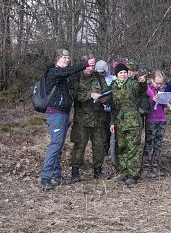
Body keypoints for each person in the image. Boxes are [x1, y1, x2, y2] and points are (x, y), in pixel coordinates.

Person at [41, 49, 95, 191]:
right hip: (56, 113)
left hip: (64, 114)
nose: (66, 59)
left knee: (58, 146)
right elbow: (68, 71)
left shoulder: (63, 74)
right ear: (57, 59)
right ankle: (46, 178)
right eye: (63, 57)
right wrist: (84, 64)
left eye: (67, 57)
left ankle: (56, 175)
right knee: (55, 145)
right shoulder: (54, 71)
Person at [69, 54, 111, 183]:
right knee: (79, 145)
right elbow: (74, 95)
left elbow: (107, 90)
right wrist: (89, 95)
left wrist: (105, 99)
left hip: (99, 117)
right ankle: (75, 171)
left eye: (93, 65)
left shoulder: (99, 76)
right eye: (88, 65)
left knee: (99, 145)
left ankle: (98, 170)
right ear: (83, 64)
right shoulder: (75, 76)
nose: (91, 68)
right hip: (82, 118)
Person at [110, 63, 147, 185]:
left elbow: (142, 90)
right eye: (120, 72)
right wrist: (112, 122)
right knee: (122, 147)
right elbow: (113, 107)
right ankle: (124, 171)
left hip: (133, 121)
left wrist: (143, 82)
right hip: (120, 121)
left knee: (133, 148)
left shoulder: (133, 83)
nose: (123, 74)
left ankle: (133, 174)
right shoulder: (113, 86)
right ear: (116, 74)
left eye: (125, 72)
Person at [142, 70, 167, 178]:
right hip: (151, 119)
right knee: (149, 144)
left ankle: (155, 167)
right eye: (157, 83)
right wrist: (152, 100)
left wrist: (165, 100)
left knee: (158, 144)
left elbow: (163, 105)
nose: (159, 85)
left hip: (161, 118)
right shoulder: (147, 90)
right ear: (152, 80)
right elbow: (145, 105)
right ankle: (145, 168)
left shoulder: (161, 90)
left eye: (161, 83)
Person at [94, 60, 116, 163]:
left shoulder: (112, 79)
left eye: (102, 72)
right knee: (102, 132)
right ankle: (103, 151)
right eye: (98, 72)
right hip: (100, 110)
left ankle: (110, 152)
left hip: (111, 110)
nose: (100, 74)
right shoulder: (95, 79)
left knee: (109, 132)